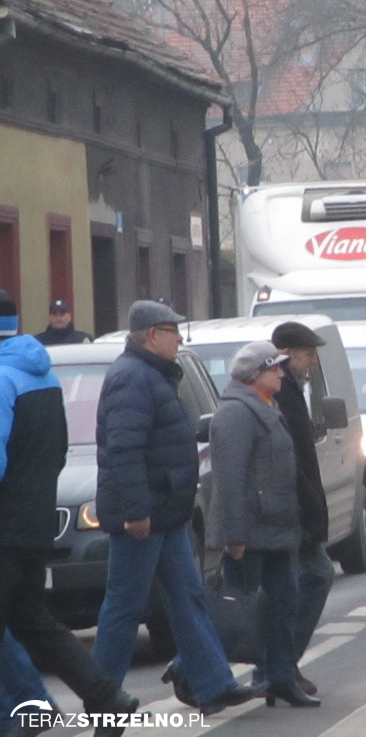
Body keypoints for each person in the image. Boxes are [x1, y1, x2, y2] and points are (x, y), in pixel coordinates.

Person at [92, 300, 252, 717]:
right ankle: (102, 699)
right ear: (151, 336)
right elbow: (124, 450)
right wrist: (136, 510)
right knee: (124, 608)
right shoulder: (132, 378)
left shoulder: (154, 375)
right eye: (173, 330)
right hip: (145, 516)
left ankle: (214, 683)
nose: (180, 338)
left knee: (187, 598)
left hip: (167, 512)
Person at [0, 292, 138, 737]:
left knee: (29, 623)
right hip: (35, 523)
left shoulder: (2, 378)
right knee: (32, 621)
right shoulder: (42, 375)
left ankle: (31, 713)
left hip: (3, 528)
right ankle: (106, 697)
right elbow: (56, 452)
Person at [208, 341, 320, 708]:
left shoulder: (267, 406)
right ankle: (197, 675)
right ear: (256, 375)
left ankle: (281, 679)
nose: (281, 373)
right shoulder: (237, 413)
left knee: (282, 607)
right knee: (237, 614)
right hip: (250, 534)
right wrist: (235, 536)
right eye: (275, 368)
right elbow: (230, 478)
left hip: (277, 530)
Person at [265, 321, 335, 696]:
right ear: (288, 355)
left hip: (297, 507)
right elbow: (288, 460)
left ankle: (279, 666)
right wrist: (308, 505)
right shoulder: (282, 393)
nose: (313, 361)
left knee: (285, 588)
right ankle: (279, 665)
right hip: (290, 510)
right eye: (308, 355)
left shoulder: (291, 389)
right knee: (313, 576)